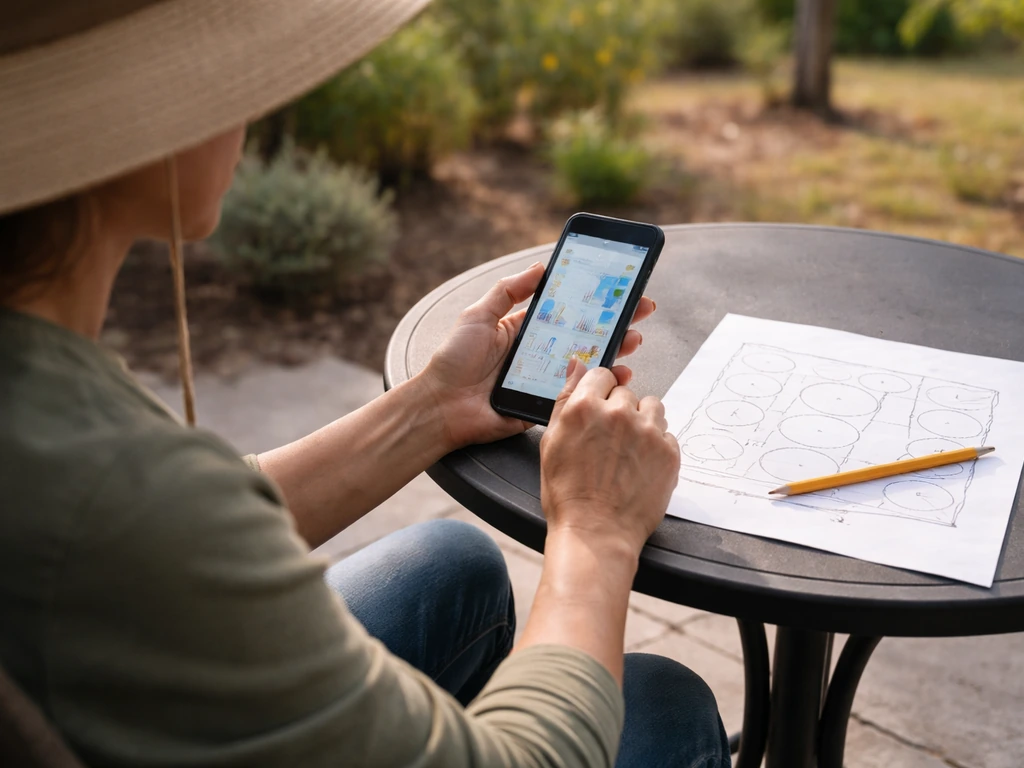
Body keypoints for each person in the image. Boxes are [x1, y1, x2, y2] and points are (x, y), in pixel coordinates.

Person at [0, 3, 730, 767]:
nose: (247, 107)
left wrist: (433, 409)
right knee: (662, 704)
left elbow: (160, 542)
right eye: (217, 83)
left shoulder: (50, 418)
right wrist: (595, 530)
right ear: (135, 129)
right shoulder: (102, 487)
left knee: (452, 566)